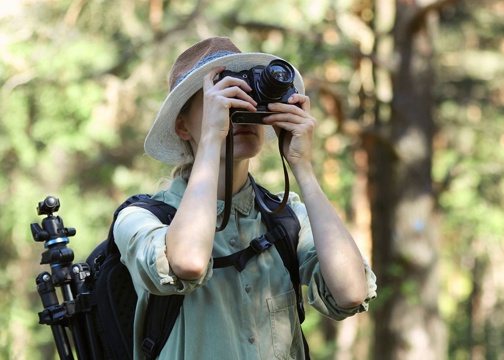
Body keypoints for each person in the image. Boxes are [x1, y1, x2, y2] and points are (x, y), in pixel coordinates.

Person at [114, 36, 377, 360]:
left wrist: (303, 168)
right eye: (222, 99)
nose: (238, 108)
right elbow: (188, 263)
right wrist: (213, 137)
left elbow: (351, 293)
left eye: (248, 96)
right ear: (183, 126)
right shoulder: (140, 218)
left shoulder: (286, 217)